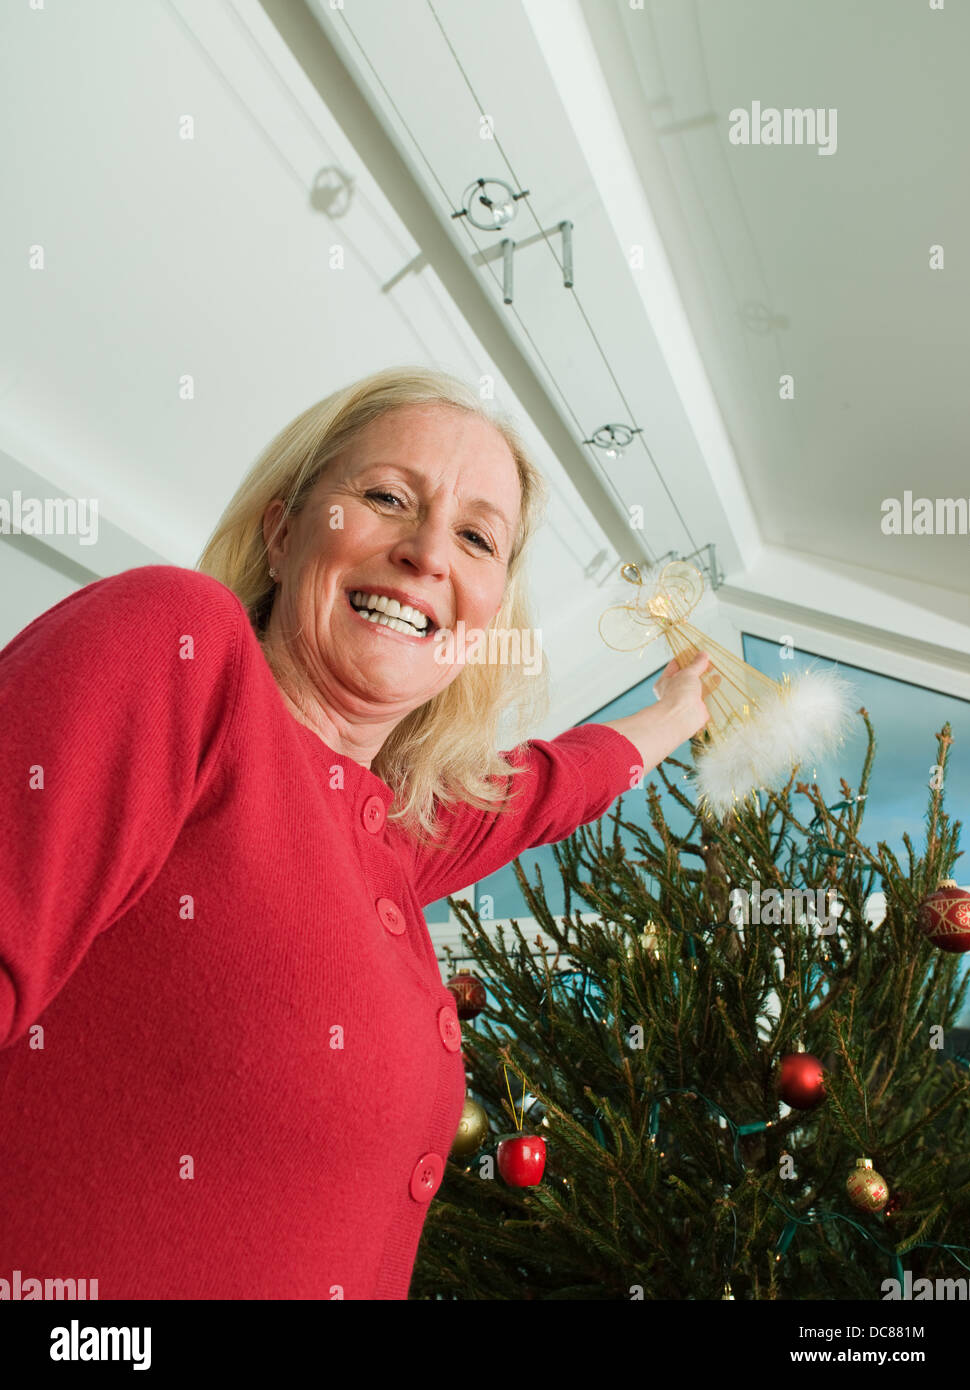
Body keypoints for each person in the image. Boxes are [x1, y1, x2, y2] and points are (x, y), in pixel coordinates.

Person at [0, 365, 709, 1300]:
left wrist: (667, 719)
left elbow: (533, 791)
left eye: (475, 537)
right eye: (385, 497)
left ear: (489, 610)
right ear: (283, 528)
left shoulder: (387, 836)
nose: (427, 553)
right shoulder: (179, 642)